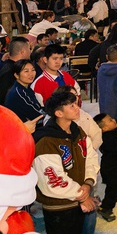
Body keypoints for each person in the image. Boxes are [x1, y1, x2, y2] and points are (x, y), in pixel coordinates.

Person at [33, 89, 100, 234]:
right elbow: (52, 180)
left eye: (76, 104)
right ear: (59, 113)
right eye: (72, 106)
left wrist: (88, 183)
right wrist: (81, 195)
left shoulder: (78, 132)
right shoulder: (46, 142)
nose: (78, 108)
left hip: (82, 198)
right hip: (60, 208)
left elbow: (90, 157)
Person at [3, 59, 44, 128]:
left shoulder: (26, 88)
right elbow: (37, 115)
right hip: (19, 130)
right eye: (26, 71)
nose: (31, 74)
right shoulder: (19, 93)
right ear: (16, 75)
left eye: (33, 70)